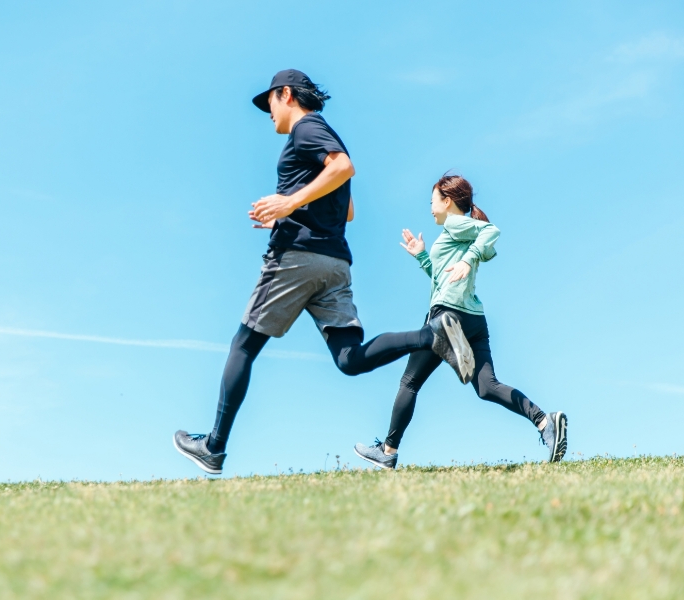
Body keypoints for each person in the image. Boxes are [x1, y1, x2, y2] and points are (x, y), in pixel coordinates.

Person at [173, 70, 475, 475]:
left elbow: (343, 167)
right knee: (349, 359)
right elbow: (346, 209)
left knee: (243, 345)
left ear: (286, 95)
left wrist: (286, 205)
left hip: (295, 258)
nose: (269, 114)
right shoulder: (323, 137)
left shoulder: (307, 129)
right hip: (334, 263)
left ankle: (214, 446)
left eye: (271, 104)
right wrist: (290, 210)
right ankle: (431, 334)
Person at [353, 174, 568, 469]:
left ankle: (388, 451)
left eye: (432, 201)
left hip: (447, 316)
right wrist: (422, 258)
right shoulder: (456, 234)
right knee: (486, 386)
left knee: (410, 381)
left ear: (447, 201)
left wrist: (468, 260)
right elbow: (444, 279)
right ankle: (545, 422)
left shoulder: (456, 224)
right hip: (473, 319)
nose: (430, 208)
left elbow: (492, 231)